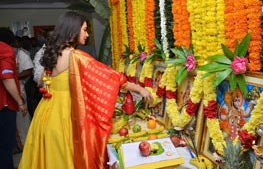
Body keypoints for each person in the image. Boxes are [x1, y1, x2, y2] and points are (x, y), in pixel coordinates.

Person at [19, 11, 153, 169]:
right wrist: (140, 89)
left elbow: (43, 83)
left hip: (46, 114)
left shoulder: (53, 53)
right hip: (66, 116)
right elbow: (111, 78)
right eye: (84, 29)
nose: (87, 34)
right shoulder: (75, 57)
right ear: (73, 31)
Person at [0, 28, 27, 169]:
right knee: (5, 146)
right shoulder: (5, 49)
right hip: (3, 105)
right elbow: (7, 77)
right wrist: (20, 102)